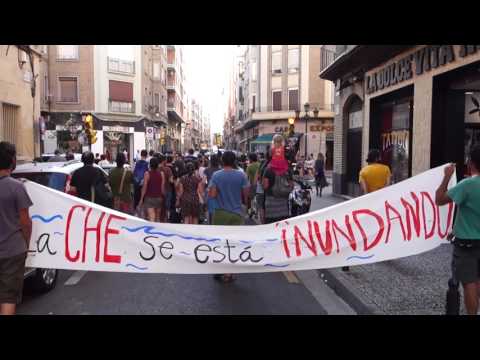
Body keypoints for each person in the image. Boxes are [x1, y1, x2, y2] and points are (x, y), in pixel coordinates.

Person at [436, 145, 480, 315]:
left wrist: (447, 177)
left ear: (471, 163)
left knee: (469, 283)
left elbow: (439, 199)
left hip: (467, 245)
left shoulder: (467, 185)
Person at [0, 142, 33, 315]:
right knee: (8, 298)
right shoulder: (17, 188)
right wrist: (26, 244)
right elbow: (25, 222)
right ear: (13, 161)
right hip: (12, 251)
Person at [208, 151, 250, 283]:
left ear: (222, 161)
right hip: (236, 213)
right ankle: (229, 273)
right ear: (234, 161)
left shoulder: (216, 175)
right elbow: (246, 194)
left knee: (220, 244)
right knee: (233, 244)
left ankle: (220, 270)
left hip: (220, 213)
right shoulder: (241, 175)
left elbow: (213, 195)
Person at [262, 148, 293, 224]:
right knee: (282, 229)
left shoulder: (268, 169)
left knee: (271, 228)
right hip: (283, 205)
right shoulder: (287, 169)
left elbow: (265, 186)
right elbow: (291, 185)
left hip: (271, 203)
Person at [139, 157, 165, 222]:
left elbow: (144, 187)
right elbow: (162, 188)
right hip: (159, 198)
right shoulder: (162, 174)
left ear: (150, 165)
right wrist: (163, 197)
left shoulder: (147, 174)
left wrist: (141, 199)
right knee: (158, 217)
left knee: (151, 217)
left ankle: (152, 231)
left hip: (149, 198)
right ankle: (158, 230)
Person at [201, 154, 221, 224]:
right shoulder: (221, 170)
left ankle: (211, 224)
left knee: (210, 211)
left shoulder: (207, 170)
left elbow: (204, 182)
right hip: (219, 192)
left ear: (210, 161)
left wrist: (203, 193)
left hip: (209, 192)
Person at [158, 154, 174, 222]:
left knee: (159, 207)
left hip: (158, 191)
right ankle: (166, 220)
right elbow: (171, 180)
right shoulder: (168, 169)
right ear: (164, 161)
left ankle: (159, 220)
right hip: (167, 190)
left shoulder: (156, 169)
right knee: (167, 208)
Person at [246, 152, 260, 217]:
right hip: (260, 185)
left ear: (251, 159)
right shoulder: (260, 164)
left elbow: (246, 177)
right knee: (258, 199)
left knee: (250, 199)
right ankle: (257, 212)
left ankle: (250, 211)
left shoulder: (250, 166)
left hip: (252, 185)